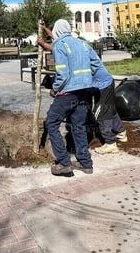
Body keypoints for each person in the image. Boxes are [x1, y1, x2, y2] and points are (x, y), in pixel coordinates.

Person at [38, 19, 96, 177]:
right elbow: (96, 64)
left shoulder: (59, 46)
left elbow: (62, 74)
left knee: (51, 123)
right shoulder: (83, 44)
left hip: (68, 93)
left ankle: (64, 163)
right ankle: (86, 163)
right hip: (85, 92)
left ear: (57, 31)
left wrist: (55, 89)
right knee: (78, 126)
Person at [90, 60, 127, 154]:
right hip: (107, 81)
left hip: (101, 84)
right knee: (109, 108)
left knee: (101, 113)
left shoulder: (76, 54)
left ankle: (110, 143)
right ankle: (121, 132)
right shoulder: (84, 49)